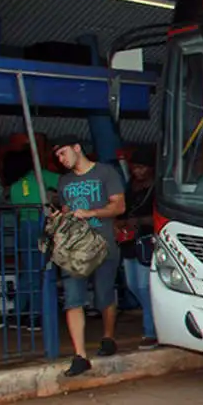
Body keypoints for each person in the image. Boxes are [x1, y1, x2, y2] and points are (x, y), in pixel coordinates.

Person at [50, 135, 126, 377]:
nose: (60, 159)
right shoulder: (64, 182)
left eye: (62, 153)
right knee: (73, 298)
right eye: (57, 156)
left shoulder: (106, 173)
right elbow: (65, 210)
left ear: (76, 148)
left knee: (104, 295)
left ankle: (108, 337)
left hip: (103, 244)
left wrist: (90, 212)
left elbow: (119, 206)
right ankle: (80, 355)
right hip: (75, 248)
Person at [9, 147, 60, 331]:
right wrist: (53, 197)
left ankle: (18, 314)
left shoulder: (15, 186)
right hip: (40, 225)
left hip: (24, 227)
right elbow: (64, 183)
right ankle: (35, 316)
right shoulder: (40, 176)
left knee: (28, 271)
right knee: (40, 270)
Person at [115, 145, 157, 350]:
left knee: (143, 286)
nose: (137, 171)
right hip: (129, 241)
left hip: (147, 242)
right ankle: (155, 319)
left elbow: (160, 217)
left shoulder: (157, 188)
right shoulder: (130, 186)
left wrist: (139, 221)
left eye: (142, 167)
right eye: (135, 167)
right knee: (132, 285)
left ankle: (150, 331)